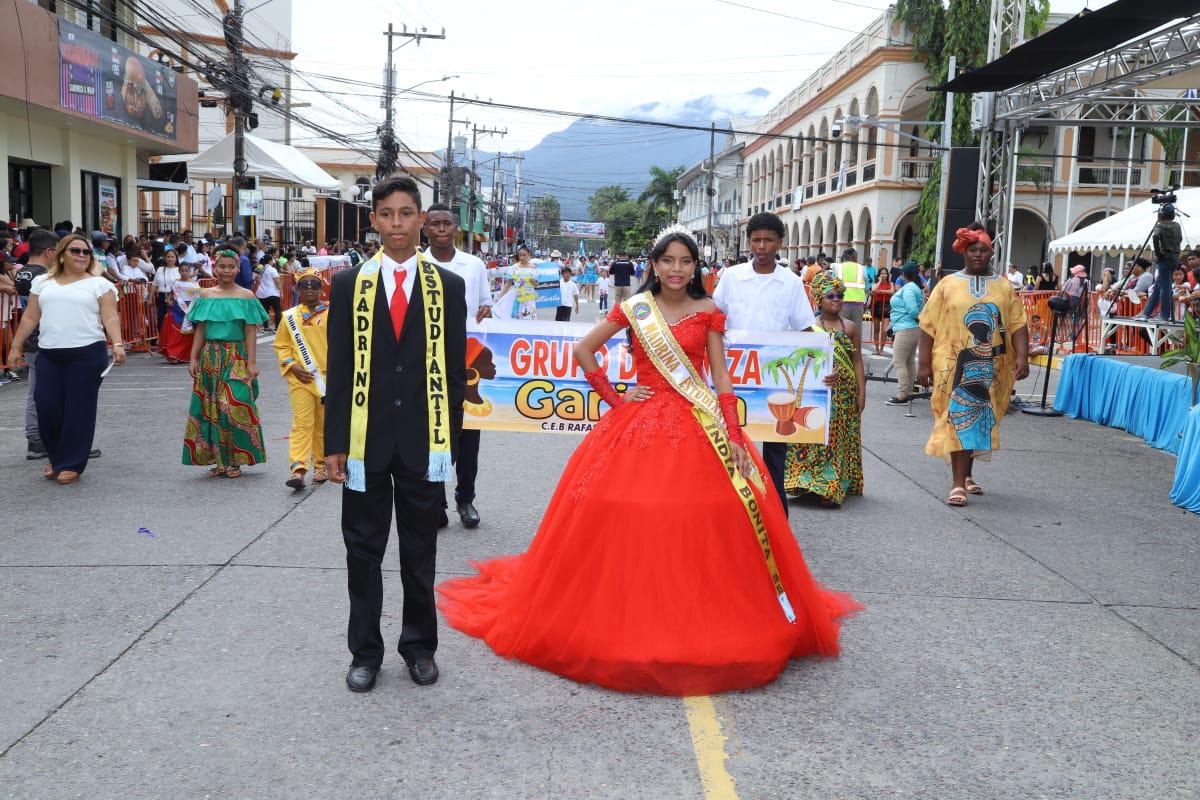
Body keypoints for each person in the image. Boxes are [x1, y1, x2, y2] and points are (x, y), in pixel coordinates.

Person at [436, 229, 860, 696]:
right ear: (654, 265)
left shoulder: (709, 312)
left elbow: (719, 375)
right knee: (628, 511)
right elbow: (583, 350)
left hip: (696, 421)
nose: (677, 269)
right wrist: (614, 397)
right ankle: (625, 611)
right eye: (668, 261)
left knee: (707, 514)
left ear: (695, 267)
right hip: (639, 420)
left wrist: (735, 436)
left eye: (685, 261)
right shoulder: (634, 309)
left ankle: (704, 608)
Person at [324, 176, 467, 693]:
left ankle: (418, 646)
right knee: (362, 551)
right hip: (364, 442)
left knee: (419, 551)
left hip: (423, 440)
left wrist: (445, 439)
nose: (398, 224)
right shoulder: (348, 284)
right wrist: (334, 443)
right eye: (387, 215)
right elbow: (339, 368)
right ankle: (365, 651)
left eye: (408, 214)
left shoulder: (448, 286)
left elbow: (453, 371)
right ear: (374, 220)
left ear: (422, 220)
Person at [917, 225, 1029, 507]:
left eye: (983, 250)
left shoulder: (1003, 285)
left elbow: (1017, 323)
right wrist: (923, 364)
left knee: (979, 419)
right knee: (956, 418)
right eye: (973, 250)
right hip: (950, 365)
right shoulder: (947, 284)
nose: (978, 255)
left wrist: (1022, 356)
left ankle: (965, 474)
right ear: (964, 252)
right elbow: (927, 326)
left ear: (992, 252)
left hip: (992, 367)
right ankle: (957, 484)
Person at [712, 213, 816, 515]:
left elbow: (804, 328)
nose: (761, 246)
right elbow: (713, 317)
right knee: (731, 444)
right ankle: (732, 513)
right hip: (733, 374)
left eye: (768, 240)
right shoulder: (731, 277)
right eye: (756, 240)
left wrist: (824, 363)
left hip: (774, 381)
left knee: (775, 454)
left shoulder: (791, 283)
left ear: (780, 242)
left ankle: (776, 516)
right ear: (748, 242)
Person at [6, 234, 126, 484]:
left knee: (78, 410)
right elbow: (30, 317)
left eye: (86, 252)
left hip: (87, 353)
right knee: (47, 406)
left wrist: (117, 343)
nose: (82, 255)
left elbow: (110, 317)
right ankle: (57, 456)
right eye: (75, 251)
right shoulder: (43, 282)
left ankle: (70, 463)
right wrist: (16, 346)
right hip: (49, 353)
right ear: (61, 254)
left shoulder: (99, 285)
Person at [423, 202, 493, 530]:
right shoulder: (415, 263)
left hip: (467, 364)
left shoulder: (475, 265)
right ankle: (435, 501)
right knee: (432, 436)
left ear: (455, 228)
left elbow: (484, 307)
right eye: (434, 224)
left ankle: (466, 499)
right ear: (425, 229)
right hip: (425, 363)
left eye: (446, 224)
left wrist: (486, 313)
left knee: (468, 437)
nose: (440, 229)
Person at [182, 247, 269, 478]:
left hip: (236, 355)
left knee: (234, 404)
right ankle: (220, 461)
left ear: (238, 269)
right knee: (211, 408)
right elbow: (200, 330)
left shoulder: (247, 296)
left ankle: (236, 459)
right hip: (210, 356)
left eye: (231, 267)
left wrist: (251, 362)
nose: (226, 271)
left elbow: (250, 331)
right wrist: (193, 358)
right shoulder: (205, 295)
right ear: (214, 267)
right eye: (222, 266)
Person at [784, 272, 864, 508]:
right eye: (831, 296)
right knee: (811, 436)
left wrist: (862, 392)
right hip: (815, 392)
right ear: (819, 299)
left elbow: (857, 360)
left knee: (835, 440)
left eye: (840, 295)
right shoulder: (808, 329)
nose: (836, 300)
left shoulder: (850, 327)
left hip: (843, 394)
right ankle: (809, 484)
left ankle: (830, 488)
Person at [273, 268, 329, 490]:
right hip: (300, 378)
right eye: (304, 285)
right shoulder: (289, 317)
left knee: (323, 425)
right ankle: (298, 469)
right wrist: (293, 366)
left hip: (327, 378)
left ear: (321, 288)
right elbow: (282, 345)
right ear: (297, 289)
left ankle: (321, 464)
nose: (308, 289)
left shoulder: (332, 313)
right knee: (302, 423)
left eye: (313, 285)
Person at [886, 261, 926, 405]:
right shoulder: (915, 287)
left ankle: (902, 394)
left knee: (899, 361)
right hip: (911, 328)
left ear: (904, 275)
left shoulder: (909, 289)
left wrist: (916, 319)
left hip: (905, 328)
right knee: (908, 361)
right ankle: (908, 392)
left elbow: (913, 310)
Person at [1141, 204, 1183, 321]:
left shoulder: (1159, 227)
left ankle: (1164, 315)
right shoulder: (1177, 226)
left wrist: (1159, 254)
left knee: (1164, 287)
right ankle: (1147, 312)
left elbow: (1155, 238)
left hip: (1164, 259)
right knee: (1159, 286)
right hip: (1175, 258)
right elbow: (1180, 239)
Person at [158, 261, 200, 364]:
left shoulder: (195, 284)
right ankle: (174, 354)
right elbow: (172, 296)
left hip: (190, 308)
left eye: (186, 270)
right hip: (178, 309)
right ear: (179, 271)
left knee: (189, 333)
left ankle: (187, 355)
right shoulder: (176, 283)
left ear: (190, 271)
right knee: (177, 332)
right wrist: (170, 301)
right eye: (182, 270)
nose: (184, 273)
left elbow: (198, 297)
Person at [502, 245, 539, 320]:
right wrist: (500, 297)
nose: (521, 257)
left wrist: (533, 282)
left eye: (524, 255)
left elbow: (536, 285)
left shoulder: (534, 267)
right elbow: (508, 284)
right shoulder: (514, 267)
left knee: (529, 322)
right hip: (517, 298)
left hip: (529, 299)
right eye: (520, 255)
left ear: (529, 255)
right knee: (516, 322)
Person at [836, 248, 867, 325]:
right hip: (858, 304)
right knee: (856, 330)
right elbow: (866, 286)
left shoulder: (837, 268)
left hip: (842, 303)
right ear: (853, 256)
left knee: (841, 329)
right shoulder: (862, 268)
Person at [152, 247, 181, 328]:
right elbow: (154, 284)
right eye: (168, 256)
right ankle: (162, 338)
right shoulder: (160, 269)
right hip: (162, 296)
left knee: (174, 320)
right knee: (161, 320)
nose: (170, 259)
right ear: (165, 258)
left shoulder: (179, 270)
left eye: (172, 257)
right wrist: (150, 298)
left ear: (176, 259)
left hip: (175, 297)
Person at [868, 267, 893, 355]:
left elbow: (892, 291)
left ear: (887, 275)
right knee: (876, 329)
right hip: (876, 305)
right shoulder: (876, 283)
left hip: (886, 306)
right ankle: (877, 349)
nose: (883, 275)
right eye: (881, 273)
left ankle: (882, 348)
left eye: (885, 273)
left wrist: (881, 291)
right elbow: (874, 290)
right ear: (879, 275)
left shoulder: (890, 283)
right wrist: (879, 282)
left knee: (884, 330)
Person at [255, 256, 282, 332]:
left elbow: (256, 279)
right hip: (273, 293)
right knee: (278, 311)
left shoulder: (260, 269)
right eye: (272, 259)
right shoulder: (272, 269)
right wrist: (281, 292)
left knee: (265, 310)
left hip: (262, 293)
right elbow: (277, 281)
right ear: (270, 261)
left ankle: (265, 327)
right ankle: (277, 328)